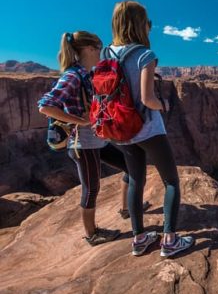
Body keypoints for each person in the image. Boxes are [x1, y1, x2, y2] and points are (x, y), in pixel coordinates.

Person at [38, 31, 147, 244]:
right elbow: (45, 106)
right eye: (99, 48)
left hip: (98, 138)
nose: (102, 52)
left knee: (129, 166)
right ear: (89, 49)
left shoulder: (89, 72)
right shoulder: (72, 75)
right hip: (82, 143)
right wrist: (81, 120)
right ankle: (92, 234)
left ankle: (126, 208)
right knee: (92, 188)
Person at [109, 0, 194, 257]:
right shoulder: (145, 55)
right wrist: (165, 104)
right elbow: (147, 99)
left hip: (119, 129)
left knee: (135, 179)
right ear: (141, 25)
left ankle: (139, 239)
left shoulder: (105, 54)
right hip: (147, 129)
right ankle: (169, 241)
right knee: (171, 181)